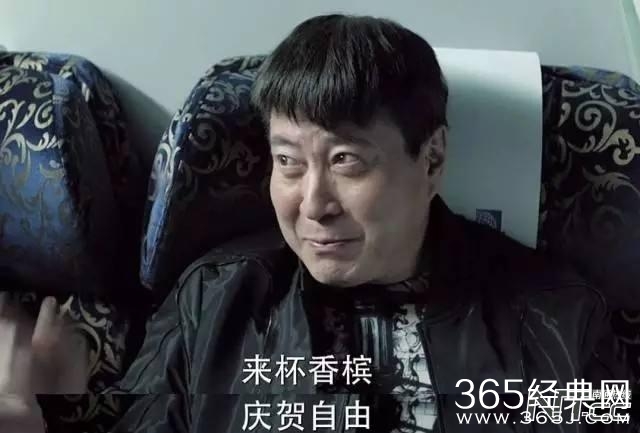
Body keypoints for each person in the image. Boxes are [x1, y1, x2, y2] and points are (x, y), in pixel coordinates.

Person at [0, 14, 633, 433]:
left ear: (433, 158)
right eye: (288, 162)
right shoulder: (215, 300)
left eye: (345, 160)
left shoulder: (558, 321)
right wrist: (48, 413)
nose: (312, 204)